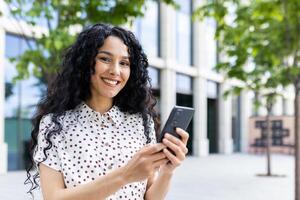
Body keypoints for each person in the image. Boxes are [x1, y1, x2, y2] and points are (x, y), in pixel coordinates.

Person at [25, 23, 189, 200]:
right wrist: (125, 175)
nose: (115, 71)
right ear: (86, 62)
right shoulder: (54, 125)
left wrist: (167, 170)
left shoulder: (141, 122)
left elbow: (150, 197)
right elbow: (53, 197)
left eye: (124, 63)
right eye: (105, 59)